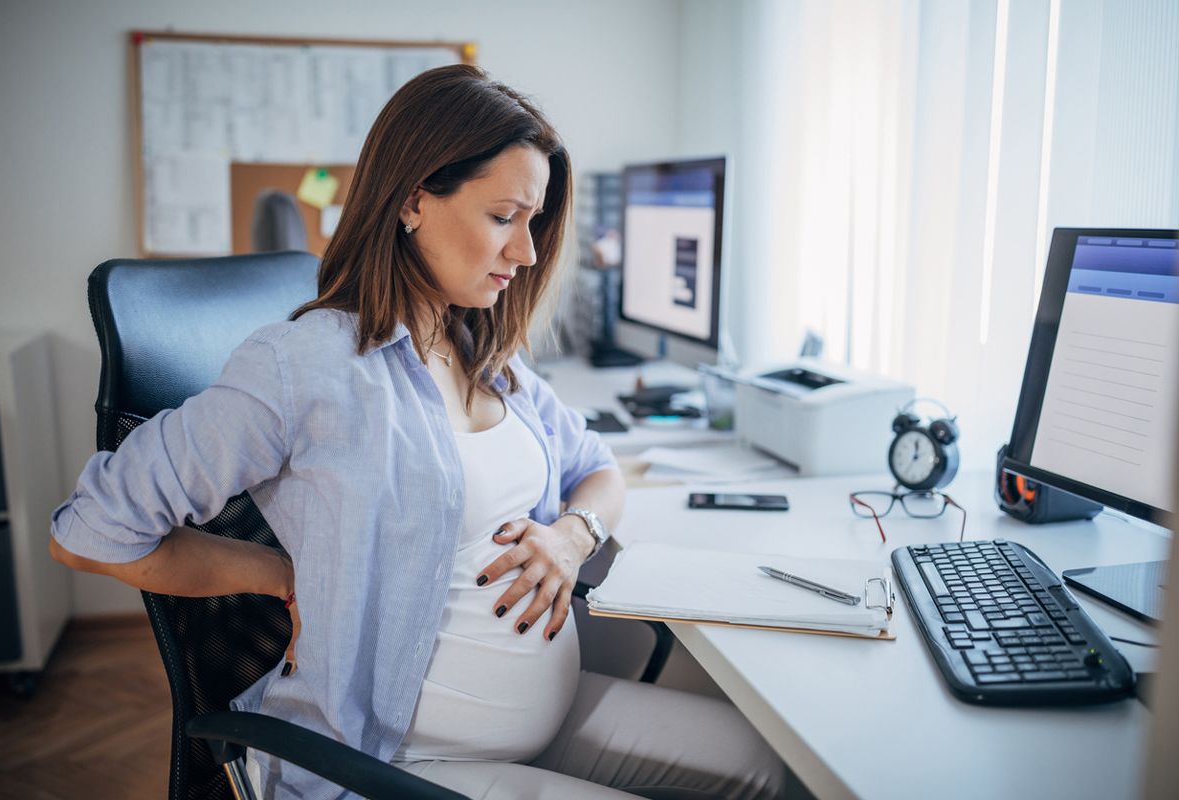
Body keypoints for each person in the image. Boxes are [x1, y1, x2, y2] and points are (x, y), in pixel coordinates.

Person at [49, 64, 787, 800]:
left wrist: (572, 536)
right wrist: (277, 573)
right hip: (399, 762)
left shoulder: (487, 353)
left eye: (533, 222)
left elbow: (600, 469)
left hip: (553, 717)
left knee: (771, 770)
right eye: (504, 218)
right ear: (411, 202)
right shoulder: (308, 366)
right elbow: (89, 532)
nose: (527, 252)